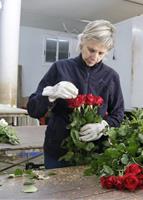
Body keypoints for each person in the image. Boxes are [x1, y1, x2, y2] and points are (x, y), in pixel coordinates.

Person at [27, 20, 124, 169]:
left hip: (94, 152)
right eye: (91, 50)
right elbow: (33, 110)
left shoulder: (111, 77)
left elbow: (118, 114)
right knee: (54, 190)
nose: (95, 57)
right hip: (58, 150)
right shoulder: (60, 68)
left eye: (101, 53)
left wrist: (103, 126)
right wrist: (51, 94)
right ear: (82, 42)